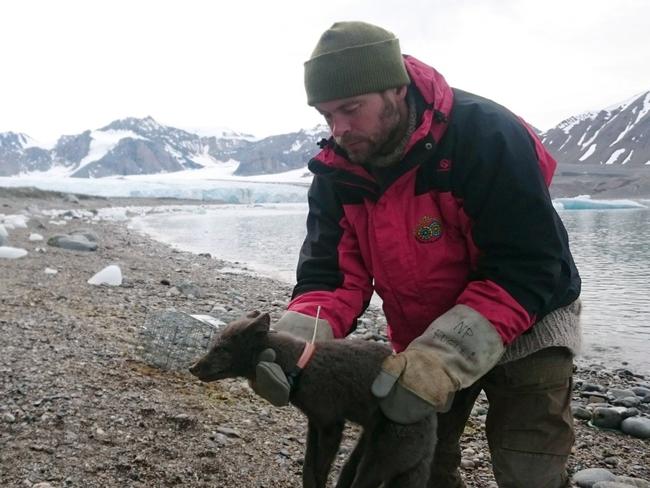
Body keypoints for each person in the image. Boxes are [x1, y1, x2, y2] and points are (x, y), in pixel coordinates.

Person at [253, 20, 582, 488]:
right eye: (327, 116)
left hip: (533, 317)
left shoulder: (486, 137)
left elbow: (525, 267)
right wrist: (292, 345)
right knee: (417, 467)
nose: (340, 130)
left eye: (351, 109)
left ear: (396, 89)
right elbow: (331, 276)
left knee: (531, 467)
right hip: (423, 330)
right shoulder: (337, 171)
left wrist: (442, 358)